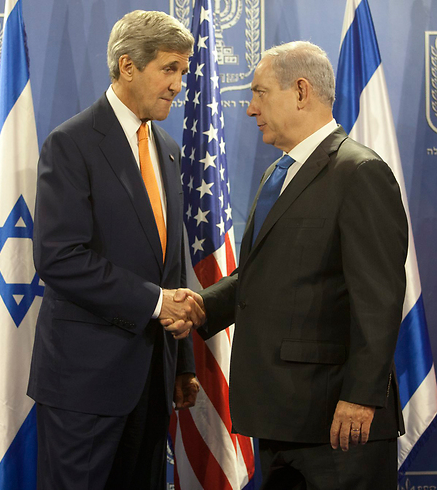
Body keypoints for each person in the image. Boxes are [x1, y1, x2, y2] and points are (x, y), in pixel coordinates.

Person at [164, 41, 408, 489]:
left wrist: (360, 398)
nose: (251, 108)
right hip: (281, 418)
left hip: (338, 424)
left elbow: (380, 302)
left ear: (300, 92)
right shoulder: (277, 173)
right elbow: (256, 274)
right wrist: (200, 307)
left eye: (259, 93)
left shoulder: (360, 173)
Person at [27, 10, 204, 490]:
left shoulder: (166, 147)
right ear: (128, 66)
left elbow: (171, 263)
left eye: (183, 72)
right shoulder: (72, 143)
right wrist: (155, 302)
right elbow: (60, 257)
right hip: (85, 384)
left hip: (152, 381)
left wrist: (182, 363)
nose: (177, 84)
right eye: (169, 69)